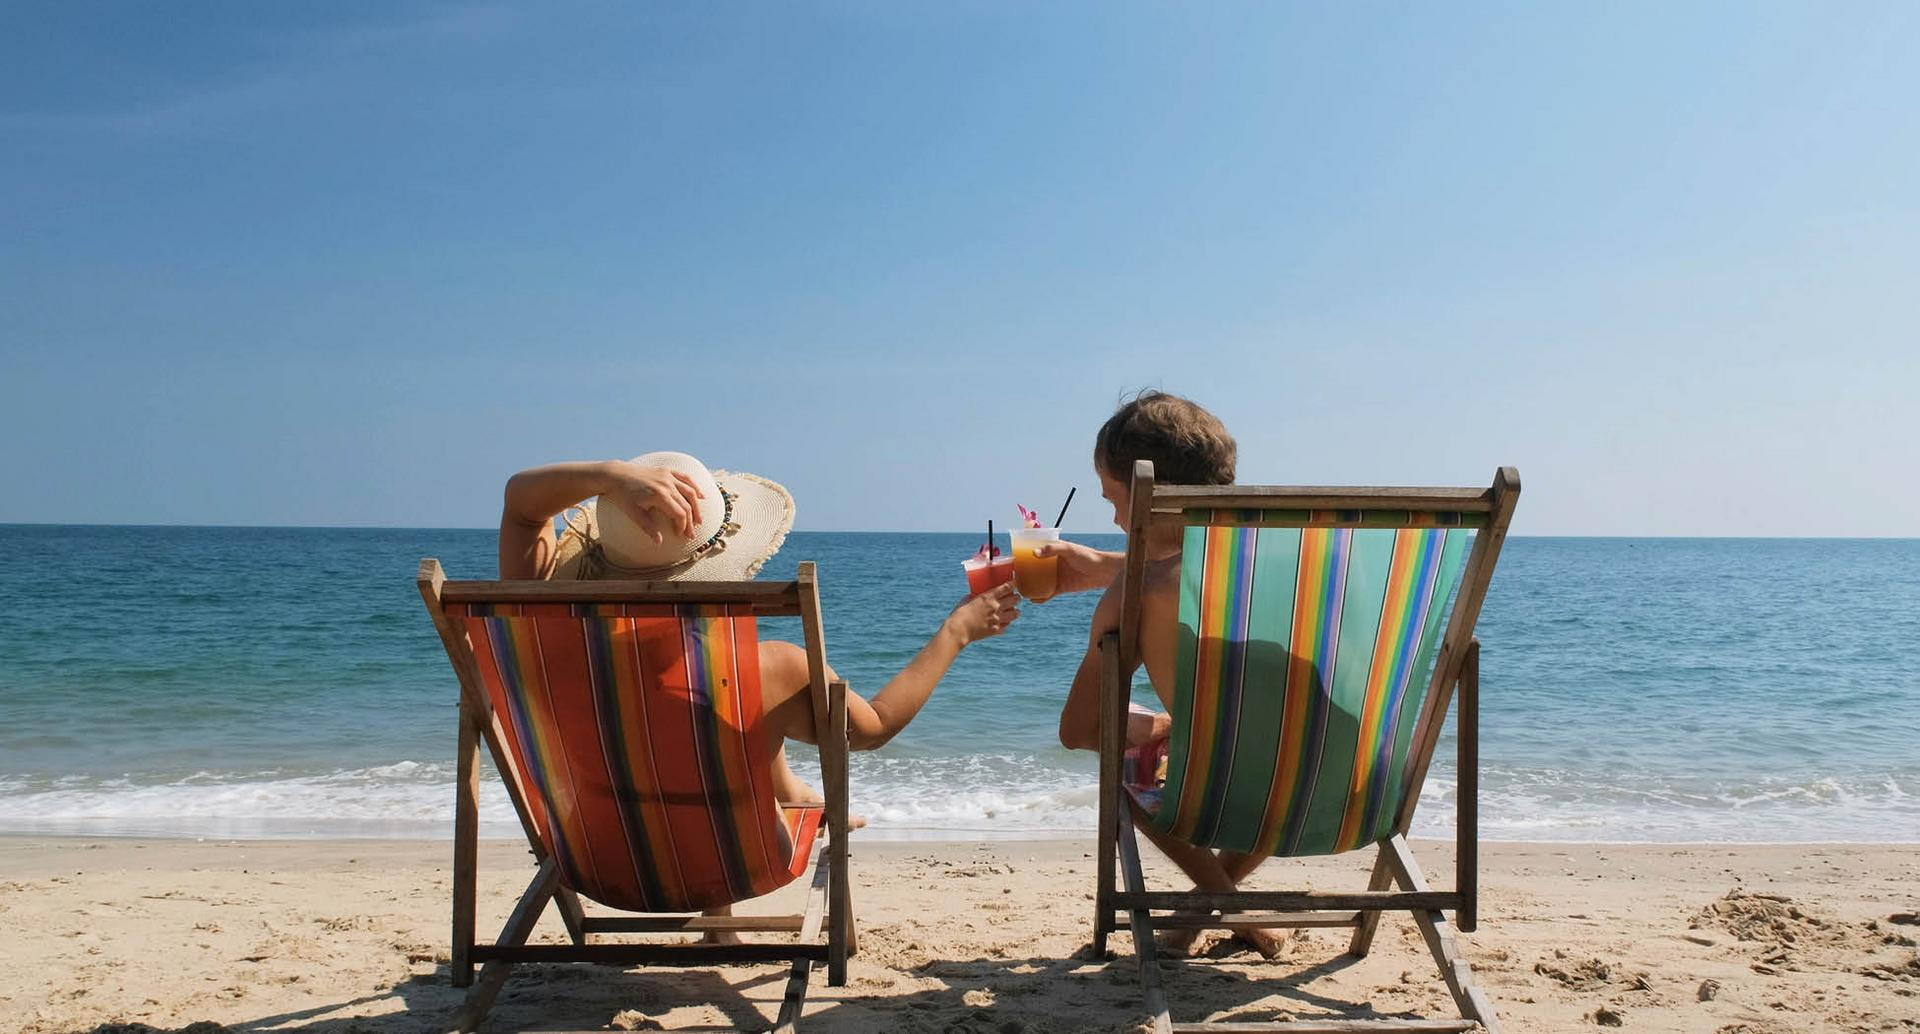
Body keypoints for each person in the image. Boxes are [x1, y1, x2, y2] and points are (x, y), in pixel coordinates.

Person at [498, 452, 1020, 936]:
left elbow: (521, 506)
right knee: (733, 696)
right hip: (737, 862)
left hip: (597, 857)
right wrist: (958, 631)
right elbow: (875, 726)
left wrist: (609, 475)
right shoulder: (770, 668)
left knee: (707, 708)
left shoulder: (541, 630)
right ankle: (784, 812)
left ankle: (790, 796)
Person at [1036, 392, 1283, 957]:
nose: (1116, 518)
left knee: (1127, 761)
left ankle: (1218, 904)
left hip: (1222, 794)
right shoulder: (1307, 566)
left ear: (1148, 493)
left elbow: (1080, 729)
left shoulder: (1137, 593)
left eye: (1114, 499)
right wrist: (1111, 568)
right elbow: (1202, 567)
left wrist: (1162, 727)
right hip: (1345, 785)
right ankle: (1206, 909)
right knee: (1278, 750)